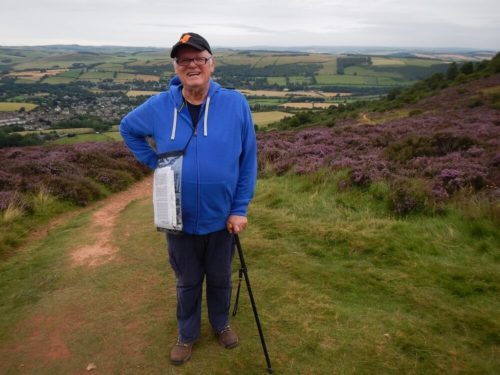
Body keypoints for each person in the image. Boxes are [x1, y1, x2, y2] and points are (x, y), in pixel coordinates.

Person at [119, 32, 257, 365]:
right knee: (188, 280)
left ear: (212, 64)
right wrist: (156, 162)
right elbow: (127, 127)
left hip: (221, 217)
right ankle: (187, 333)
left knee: (221, 278)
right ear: (177, 68)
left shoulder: (235, 103)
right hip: (176, 217)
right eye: (184, 60)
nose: (192, 65)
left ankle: (221, 324)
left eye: (199, 59)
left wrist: (239, 209)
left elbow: (248, 160)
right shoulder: (159, 105)